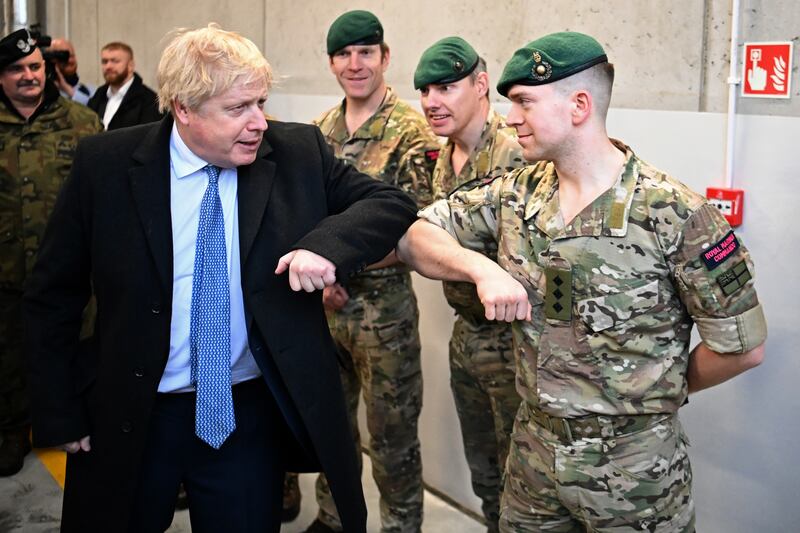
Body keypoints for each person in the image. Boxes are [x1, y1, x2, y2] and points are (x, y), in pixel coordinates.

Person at [24, 24, 417, 533]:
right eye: (238, 109)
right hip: (131, 412)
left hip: (243, 416)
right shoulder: (106, 165)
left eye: (261, 102)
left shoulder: (296, 152)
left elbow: (390, 203)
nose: (259, 123)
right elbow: (52, 295)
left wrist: (324, 246)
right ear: (183, 109)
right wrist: (57, 411)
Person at [397, 31, 767, 532]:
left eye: (525, 102)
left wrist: (655, 391)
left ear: (579, 105)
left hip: (636, 471)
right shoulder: (514, 194)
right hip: (532, 455)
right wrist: (480, 268)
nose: (510, 118)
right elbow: (417, 234)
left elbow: (741, 347)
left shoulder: (674, 213)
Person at [302, 10, 439, 533]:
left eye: (365, 53)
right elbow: (308, 216)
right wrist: (321, 277)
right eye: (343, 54)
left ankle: (401, 526)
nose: (354, 64)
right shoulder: (320, 131)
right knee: (331, 428)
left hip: (384, 316)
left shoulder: (410, 131)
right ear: (332, 62)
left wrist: (335, 261)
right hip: (326, 308)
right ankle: (334, 516)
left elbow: (418, 228)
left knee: (392, 436)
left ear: (385, 58)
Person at [413, 36, 524, 531]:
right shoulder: (444, 154)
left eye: (445, 87)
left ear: (481, 85)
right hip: (469, 335)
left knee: (522, 480)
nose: (432, 102)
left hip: (517, 342)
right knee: (485, 474)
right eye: (424, 91)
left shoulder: (518, 154)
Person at [0, 28, 102, 478]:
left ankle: (69, 424)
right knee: (7, 358)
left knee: (73, 352)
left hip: (70, 276)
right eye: (17, 69)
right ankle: (10, 431)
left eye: (36, 66)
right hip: (5, 274)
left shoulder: (83, 126)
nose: (29, 76)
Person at [87, 41, 162, 130]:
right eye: (104, 61)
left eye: (115, 61)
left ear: (130, 65)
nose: (108, 66)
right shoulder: (98, 96)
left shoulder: (149, 101)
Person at [48, 37, 96, 105]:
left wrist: (67, 89)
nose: (70, 60)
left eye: (72, 56)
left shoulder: (91, 91)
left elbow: (93, 110)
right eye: (64, 57)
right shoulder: (43, 93)